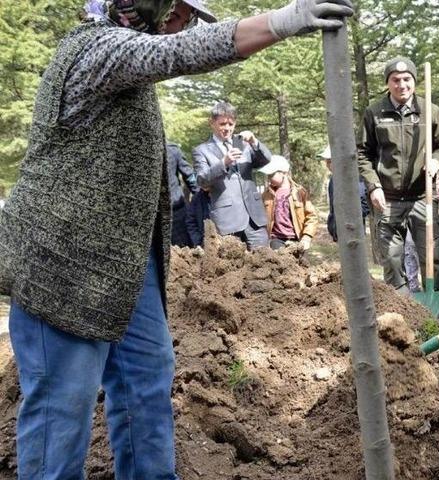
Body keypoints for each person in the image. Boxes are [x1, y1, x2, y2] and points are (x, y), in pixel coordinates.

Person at [0, 0, 353, 477]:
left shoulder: (128, 68)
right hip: (63, 266)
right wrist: (285, 19)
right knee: (62, 407)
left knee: (146, 379)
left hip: (127, 263)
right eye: (180, 11)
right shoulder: (93, 50)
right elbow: (180, 54)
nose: (184, 22)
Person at [356, 56, 439, 320]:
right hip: (387, 200)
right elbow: (363, 154)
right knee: (392, 261)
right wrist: (373, 185)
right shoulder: (374, 113)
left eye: (406, 79)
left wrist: (435, 161)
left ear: (414, 80)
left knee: (432, 259)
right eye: (395, 80)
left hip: (423, 197)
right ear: (388, 83)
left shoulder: (429, 111)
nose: (402, 85)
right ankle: (399, 317)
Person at [193, 101, 273, 250]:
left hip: (254, 219)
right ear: (212, 123)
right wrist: (224, 162)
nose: (227, 128)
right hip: (227, 221)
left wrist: (254, 141)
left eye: (231, 124)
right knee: (232, 268)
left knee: (265, 263)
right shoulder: (202, 150)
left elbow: (266, 160)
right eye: (222, 124)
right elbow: (201, 180)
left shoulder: (244, 144)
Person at [260, 155, 319, 251]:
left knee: (301, 264)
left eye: (271, 175)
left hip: (297, 239)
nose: (268, 178)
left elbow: (312, 216)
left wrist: (306, 237)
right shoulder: (266, 195)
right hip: (276, 239)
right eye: (268, 175)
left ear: (284, 172)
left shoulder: (299, 192)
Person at [320, 145, 369, 242]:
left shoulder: (355, 179)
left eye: (329, 161)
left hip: (353, 233)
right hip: (339, 231)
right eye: (326, 161)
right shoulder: (333, 180)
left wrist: (351, 219)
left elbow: (364, 204)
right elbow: (333, 208)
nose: (327, 165)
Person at [166, 141, 199, 247]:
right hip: (150, 219)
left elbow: (189, 176)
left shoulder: (172, 149)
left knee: (186, 251)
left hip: (176, 213)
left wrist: (201, 197)